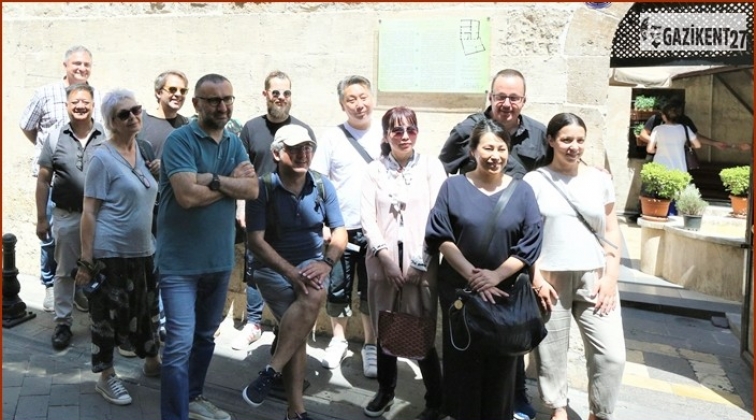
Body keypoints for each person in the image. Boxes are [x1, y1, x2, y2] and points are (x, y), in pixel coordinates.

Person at [438, 68, 545, 420]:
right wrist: (475, 277)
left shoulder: (528, 174)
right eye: (501, 96)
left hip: (507, 290)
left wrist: (496, 276)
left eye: (514, 97)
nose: (507, 103)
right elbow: (441, 234)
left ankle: (513, 402)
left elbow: (531, 240)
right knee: (462, 364)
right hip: (461, 289)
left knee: (504, 364)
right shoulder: (455, 178)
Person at [157, 73, 258, 420]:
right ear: (197, 104)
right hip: (179, 263)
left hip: (218, 260)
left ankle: (193, 398)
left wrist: (210, 180)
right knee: (179, 344)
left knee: (204, 338)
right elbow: (186, 196)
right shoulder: (179, 141)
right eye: (214, 100)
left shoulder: (234, 143)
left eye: (228, 99)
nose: (222, 106)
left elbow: (252, 189)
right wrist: (229, 184)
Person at [523, 113, 626, 420]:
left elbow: (612, 230)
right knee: (551, 352)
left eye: (580, 140)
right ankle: (558, 409)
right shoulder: (535, 181)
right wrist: (536, 277)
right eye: (566, 140)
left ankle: (599, 412)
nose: (574, 146)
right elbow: (528, 235)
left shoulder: (600, 179)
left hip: (595, 276)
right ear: (551, 140)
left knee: (612, 355)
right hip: (551, 277)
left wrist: (611, 277)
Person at [241, 124, 347, 420]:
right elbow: (256, 242)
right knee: (305, 312)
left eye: (307, 148)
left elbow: (340, 233)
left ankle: (274, 376)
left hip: (312, 266)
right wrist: (291, 273)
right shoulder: (262, 187)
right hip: (272, 269)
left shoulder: (322, 185)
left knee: (302, 315)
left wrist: (326, 263)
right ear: (277, 154)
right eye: (295, 149)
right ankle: (294, 409)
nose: (303, 154)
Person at [74, 89, 162, 405]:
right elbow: (89, 211)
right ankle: (106, 377)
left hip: (145, 249)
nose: (133, 117)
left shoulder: (145, 148)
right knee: (107, 317)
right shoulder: (102, 158)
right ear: (112, 122)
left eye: (136, 110)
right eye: (124, 114)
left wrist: (158, 171)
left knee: (147, 310)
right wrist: (87, 260)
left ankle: (152, 362)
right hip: (111, 253)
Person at [360, 107, 446, 420]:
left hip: (420, 263)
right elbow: (367, 218)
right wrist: (385, 257)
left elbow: (439, 216)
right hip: (382, 263)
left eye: (411, 129)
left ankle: (436, 400)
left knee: (420, 328)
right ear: (386, 135)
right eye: (397, 130)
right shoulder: (374, 170)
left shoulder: (431, 167)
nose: (405, 136)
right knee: (385, 327)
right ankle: (385, 391)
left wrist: (419, 261)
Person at [232, 70, 318, 351]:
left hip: (291, 214)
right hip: (258, 209)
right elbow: (242, 170)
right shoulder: (251, 128)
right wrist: (241, 205)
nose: (281, 97)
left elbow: (310, 172)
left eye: (286, 93)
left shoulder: (302, 130)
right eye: (276, 92)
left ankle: (286, 327)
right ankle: (254, 322)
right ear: (266, 94)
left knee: (288, 269)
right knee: (256, 266)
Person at [20, 45, 102, 314]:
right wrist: (51, 151)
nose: (82, 68)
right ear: (65, 65)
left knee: (84, 241)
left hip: (87, 188)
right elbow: (27, 125)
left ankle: (78, 289)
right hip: (54, 181)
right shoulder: (45, 93)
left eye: (87, 64)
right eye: (77, 63)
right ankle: (50, 286)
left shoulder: (95, 95)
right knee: (50, 239)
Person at [310, 75, 382, 378]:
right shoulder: (332, 137)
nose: (359, 104)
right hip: (341, 228)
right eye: (351, 99)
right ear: (342, 105)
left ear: (372, 99)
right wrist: (323, 222)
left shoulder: (385, 134)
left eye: (363, 97)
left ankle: (371, 345)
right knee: (338, 286)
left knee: (372, 289)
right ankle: (338, 340)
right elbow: (318, 180)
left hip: (376, 228)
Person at [35, 83, 106, 350]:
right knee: (64, 271)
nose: (80, 106)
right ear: (67, 106)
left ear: (93, 105)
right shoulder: (55, 137)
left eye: (85, 102)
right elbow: (43, 180)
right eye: (75, 102)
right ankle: (63, 323)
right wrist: (42, 218)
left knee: (102, 269)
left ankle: (102, 321)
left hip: (101, 218)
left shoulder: (106, 135)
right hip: (67, 215)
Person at [637, 98, 724, 154]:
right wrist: (660, 144)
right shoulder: (656, 119)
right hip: (657, 155)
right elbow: (643, 135)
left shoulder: (685, 120)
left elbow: (695, 137)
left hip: (677, 155)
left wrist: (713, 143)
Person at [645, 101, 701, 173]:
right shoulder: (685, 128)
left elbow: (649, 149)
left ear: (664, 116)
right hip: (679, 168)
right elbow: (698, 145)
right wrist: (683, 146)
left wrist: (659, 151)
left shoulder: (657, 129)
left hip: (660, 167)